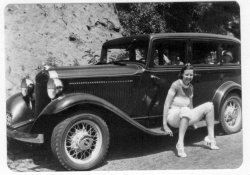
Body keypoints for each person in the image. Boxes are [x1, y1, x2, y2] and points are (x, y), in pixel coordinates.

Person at [162, 63, 219, 158]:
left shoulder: (191, 87)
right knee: (185, 109)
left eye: (191, 75)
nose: (189, 77)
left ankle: (210, 139)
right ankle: (180, 144)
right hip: (173, 116)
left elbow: (191, 105)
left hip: (185, 115)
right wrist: (164, 125)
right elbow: (166, 104)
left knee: (209, 106)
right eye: (186, 74)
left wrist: (193, 122)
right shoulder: (175, 84)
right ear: (182, 74)